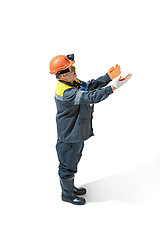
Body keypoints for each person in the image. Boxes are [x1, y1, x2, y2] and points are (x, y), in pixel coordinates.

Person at [49, 54, 132, 205]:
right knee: (67, 164)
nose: (75, 70)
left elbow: (89, 86)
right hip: (69, 135)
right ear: (62, 74)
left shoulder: (72, 83)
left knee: (73, 160)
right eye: (72, 68)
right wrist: (114, 87)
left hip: (76, 133)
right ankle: (67, 195)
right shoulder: (67, 93)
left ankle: (70, 187)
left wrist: (107, 77)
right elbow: (92, 96)